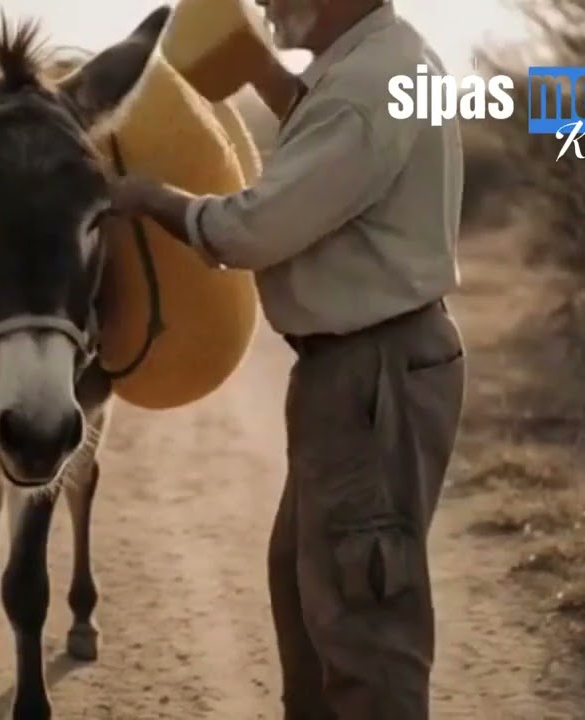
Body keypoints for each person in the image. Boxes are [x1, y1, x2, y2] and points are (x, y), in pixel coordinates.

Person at [108, 1, 467, 718]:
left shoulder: (369, 87)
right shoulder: (378, 62)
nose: (266, 4)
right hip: (365, 365)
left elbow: (253, 231)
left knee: (363, 616)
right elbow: (333, 145)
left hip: (371, 372)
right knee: (308, 581)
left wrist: (151, 198)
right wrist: (264, 74)